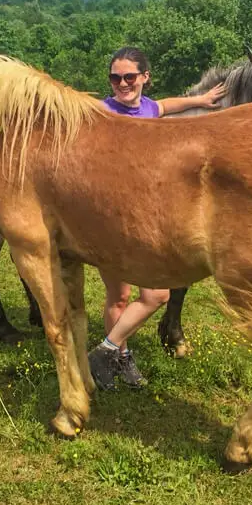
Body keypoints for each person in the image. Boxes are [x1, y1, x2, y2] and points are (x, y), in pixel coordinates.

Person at [88, 46, 227, 390]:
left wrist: (202, 100)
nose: (122, 83)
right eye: (115, 77)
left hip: (145, 217)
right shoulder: (103, 110)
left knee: (156, 295)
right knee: (119, 297)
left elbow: (167, 105)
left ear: (144, 78)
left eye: (129, 77)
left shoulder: (149, 108)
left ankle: (104, 351)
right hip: (109, 217)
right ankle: (119, 356)